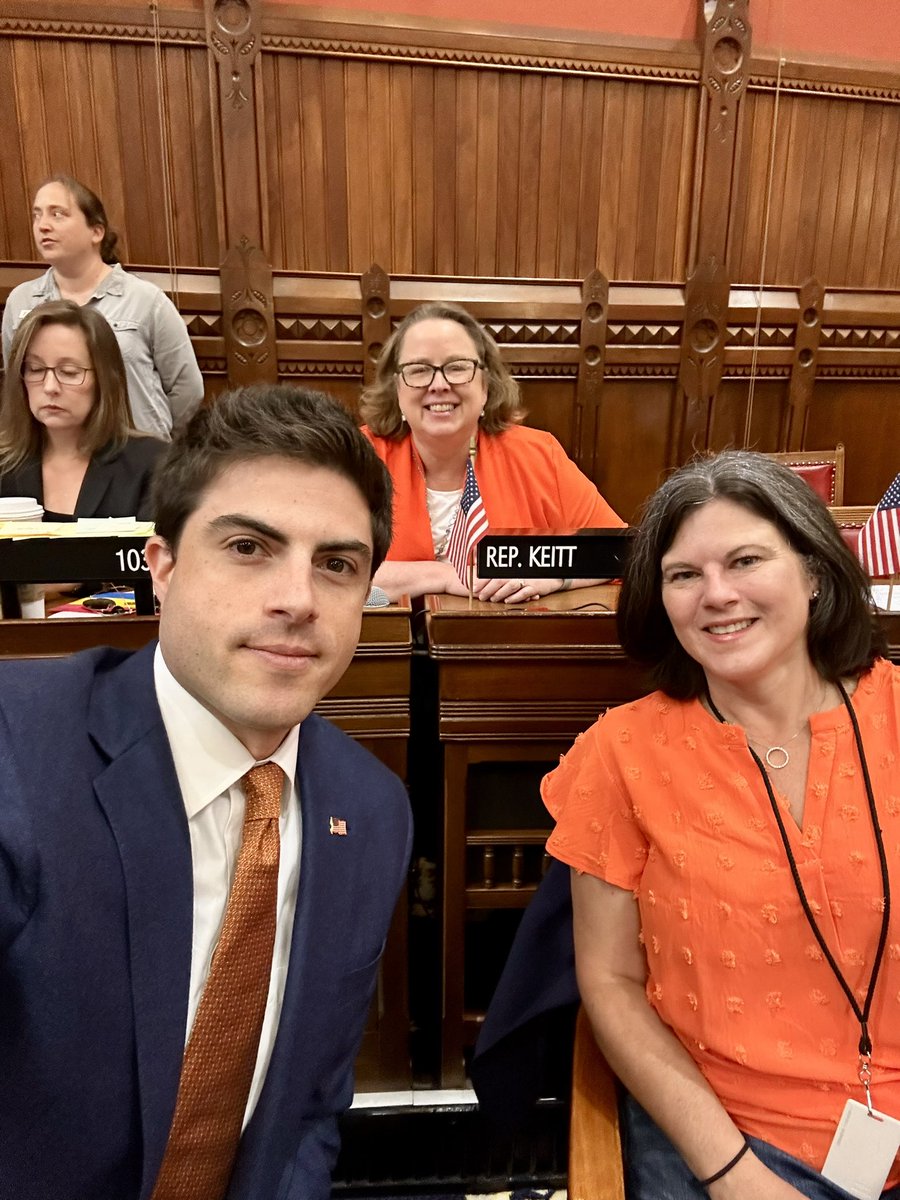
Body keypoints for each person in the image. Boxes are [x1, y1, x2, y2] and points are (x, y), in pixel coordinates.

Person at [0, 384, 412, 1200]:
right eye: (250, 548)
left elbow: (308, 1109)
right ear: (163, 566)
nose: (298, 600)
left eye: (337, 564)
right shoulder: (16, 745)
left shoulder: (371, 811)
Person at [542, 450, 900, 1199]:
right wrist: (735, 1175)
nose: (718, 595)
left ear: (812, 571)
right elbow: (609, 982)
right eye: (684, 575)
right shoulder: (620, 752)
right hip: (726, 1140)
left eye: (746, 560)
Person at [359, 301, 624, 602]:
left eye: (457, 367)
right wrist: (445, 576)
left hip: (505, 643)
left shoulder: (538, 456)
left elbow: (620, 551)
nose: (439, 384)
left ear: (485, 385)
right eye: (419, 370)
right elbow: (321, 567)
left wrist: (555, 577)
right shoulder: (358, 457)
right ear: (397, 389)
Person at [2, 174, 204, 440]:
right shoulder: (22, 301)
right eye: (37, 215)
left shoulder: (145, 299)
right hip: (59, 455)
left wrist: (155, 443)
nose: (43, 226)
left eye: (58, 214)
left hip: (137, 460)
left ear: (96, 231)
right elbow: (17, 385)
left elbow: (187, 389)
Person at [0, 299, 165, 521]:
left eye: (69, 372)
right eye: (36, 369)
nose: (50, 387)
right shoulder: (5, 465)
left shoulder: (152, 462)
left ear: (105, 379)